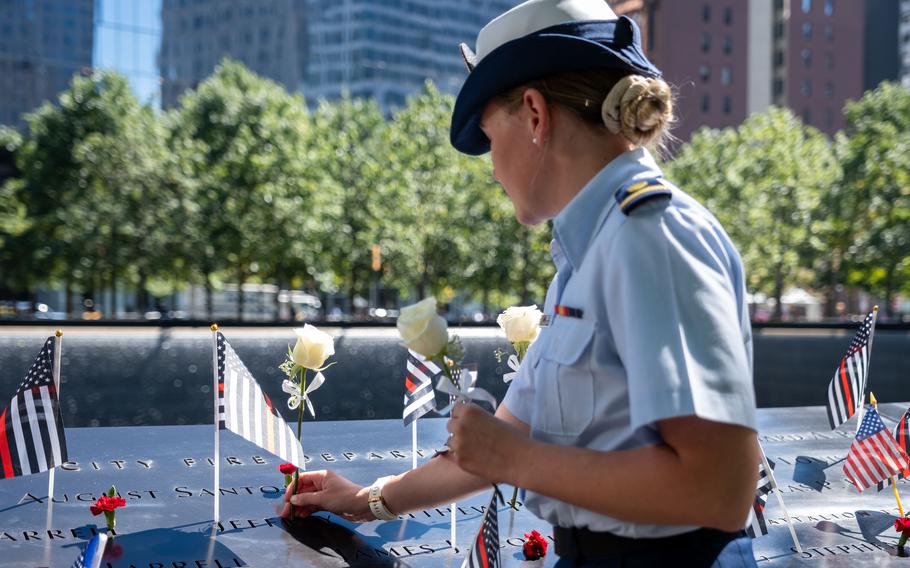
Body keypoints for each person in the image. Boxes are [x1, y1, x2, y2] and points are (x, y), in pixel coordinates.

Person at [283, 1, 760, 565]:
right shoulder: (591, 253)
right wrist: (368, 500)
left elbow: (722, 491)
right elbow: (494, 444)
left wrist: (516, 460)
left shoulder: (651, 237)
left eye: (489, 137)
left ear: (534, 114)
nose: (490, 168)